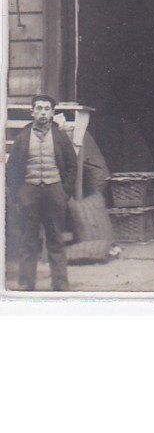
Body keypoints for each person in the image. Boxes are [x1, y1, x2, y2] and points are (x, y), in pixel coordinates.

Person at [6, 95, 78, 291]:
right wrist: (19, 194)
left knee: (55, 238)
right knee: (28, 239)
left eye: (47, 109)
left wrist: (64, 192)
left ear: (53, 113)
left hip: (54, 191)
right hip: (29, 192)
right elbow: (11, 169)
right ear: (32, 112)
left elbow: (72, 165)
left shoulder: (60, 137)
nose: (43, 113)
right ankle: (27, 283)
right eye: (39, 108)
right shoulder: (22, 137)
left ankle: (60, 284)